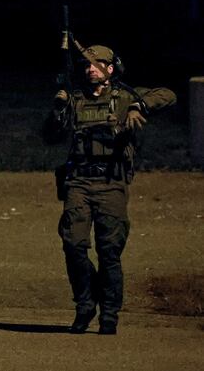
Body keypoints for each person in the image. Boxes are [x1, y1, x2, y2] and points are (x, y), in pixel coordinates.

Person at [44, 44, 176, 335]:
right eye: (87, 64)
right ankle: (85, 304)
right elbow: (50, 137)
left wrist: (138, 105)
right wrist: (57, 111)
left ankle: (110, 314)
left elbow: (168, 95)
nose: (90, 68)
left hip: (111, 183)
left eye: (96, 63)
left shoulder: (124, 95)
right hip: (79, 181)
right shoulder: (75, 98)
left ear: (110, 68)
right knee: (73, 244)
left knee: (109, 251)